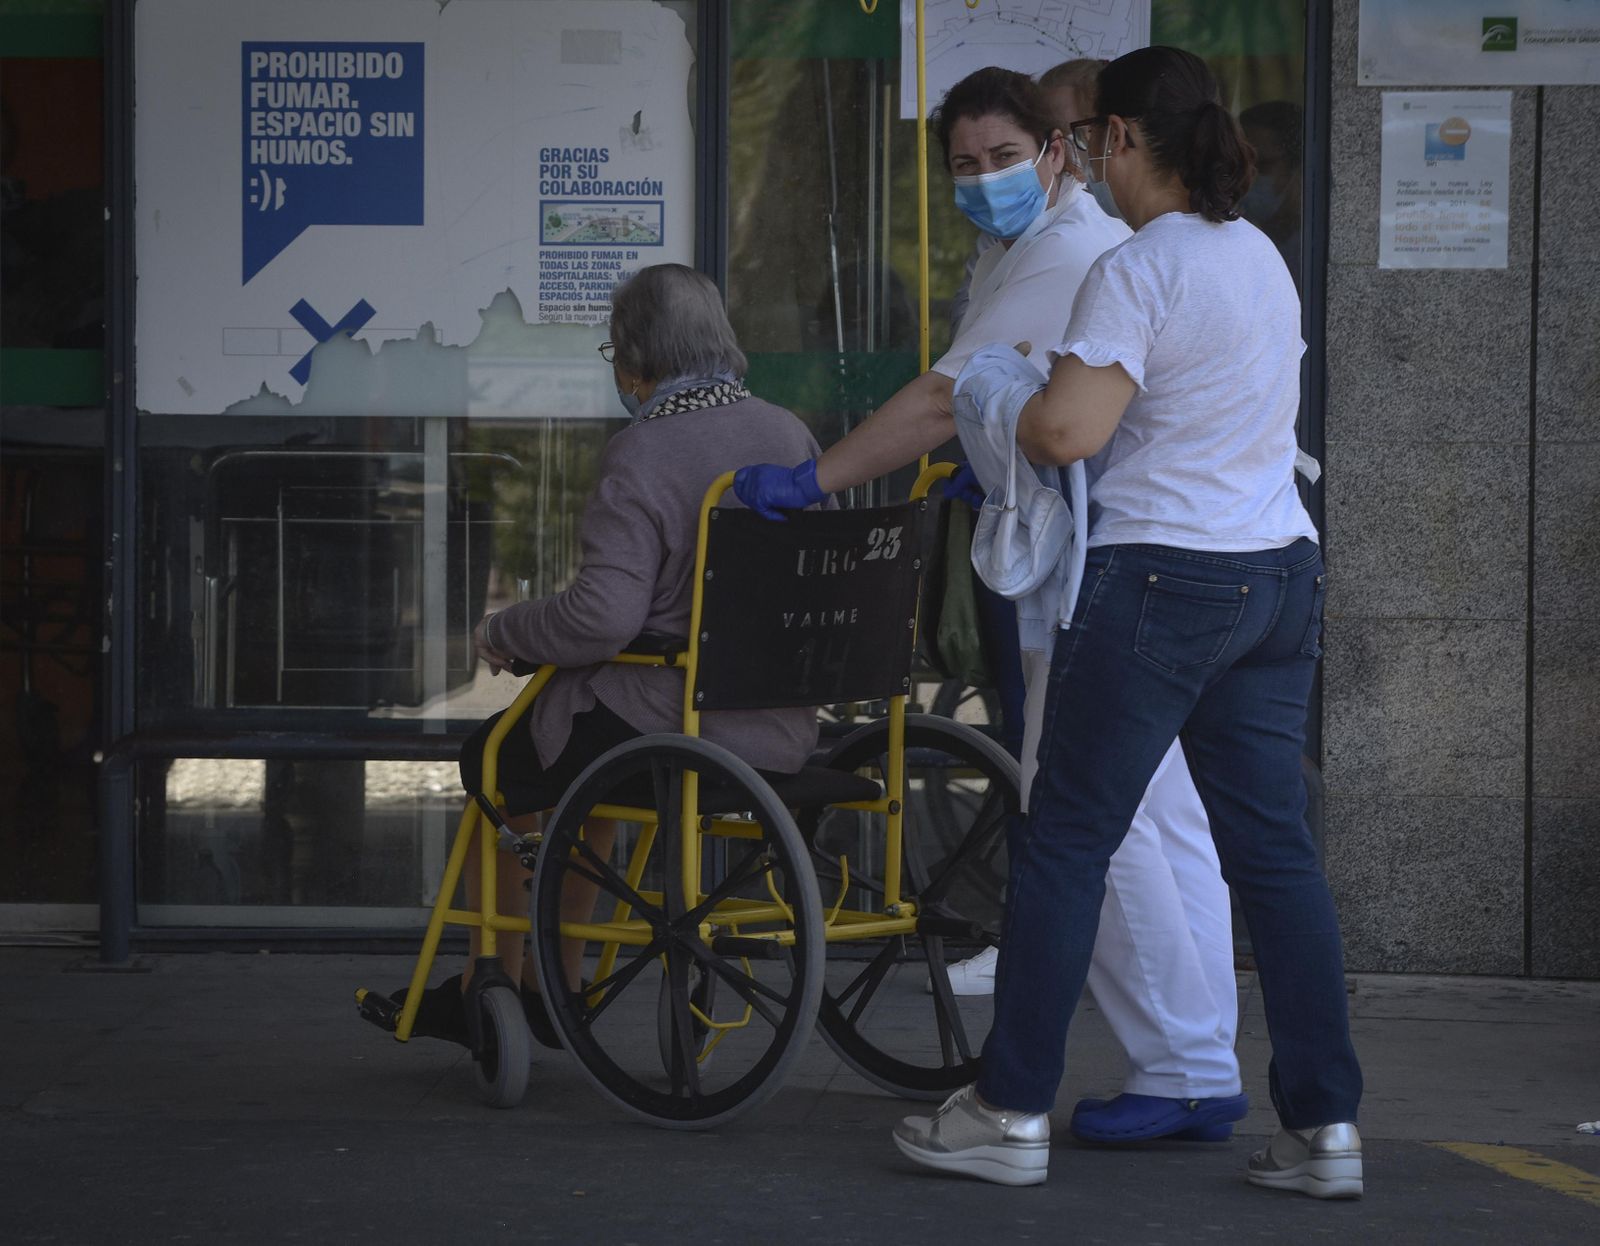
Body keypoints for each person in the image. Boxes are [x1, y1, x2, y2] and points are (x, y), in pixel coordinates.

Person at [735, 67, 1247, 1144]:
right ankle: (1195, 1055)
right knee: (1164, 816)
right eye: (962, 165)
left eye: (1002, 158)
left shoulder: (1070, 252)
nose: (982, 181)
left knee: (1095, 830)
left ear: (1065, 150)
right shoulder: (1079, 249)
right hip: (1185, 559)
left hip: (1096, 574)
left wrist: (814, 479)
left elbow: (940, 397)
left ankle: (1158, 1072)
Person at [889, 47, 1364, 1198]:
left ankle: (1003, 1114)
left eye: (1092, 136)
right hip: (1275, 574)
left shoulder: (1136, 267)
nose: (1090, 155)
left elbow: (1067, 434)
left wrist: (1000, 392)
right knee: (1275, 856)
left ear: (1117, 141)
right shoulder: (1257, 257)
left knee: (1065, 843)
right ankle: (1326, 1132)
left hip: (1162, 580)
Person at [395, 263, 823, 1046]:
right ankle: (560, 977)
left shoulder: (645, 451)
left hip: (672, 720)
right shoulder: (786, 432)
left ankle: (492, 977)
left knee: (497, 759)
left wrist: (506, 631)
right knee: (575, 774)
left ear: (635, 360)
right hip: (774, 724)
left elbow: (603, 619)